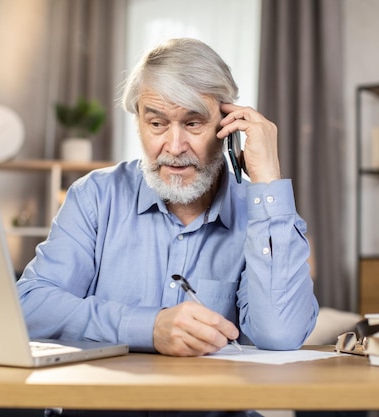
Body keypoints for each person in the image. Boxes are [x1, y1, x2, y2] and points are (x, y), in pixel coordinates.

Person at [17, 38, 318, 415]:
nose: (174, 146)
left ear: (228, 125)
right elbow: (30, 308)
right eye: (157, 123)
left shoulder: (258, 212)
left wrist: (268, 178)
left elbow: (281, 333)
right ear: (139, 122)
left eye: (193, 123)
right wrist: (148, 327)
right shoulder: (94, 196)